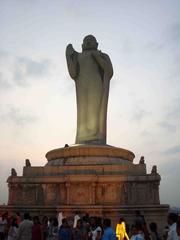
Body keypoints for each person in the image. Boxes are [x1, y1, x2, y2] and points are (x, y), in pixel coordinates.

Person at [66, 35, 113, 145]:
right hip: (82, 87)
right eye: (86, 41)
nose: (88, 42)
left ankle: (96, 136)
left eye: (90, 40)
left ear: (96, 44)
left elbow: (109, 71)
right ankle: (83, 138)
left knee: (95, 110)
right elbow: (73, 73)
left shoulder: (102, 55)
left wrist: (97, 57)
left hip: (96, 86)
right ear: (82, 45)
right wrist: (68, 57)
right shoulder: (78, 57)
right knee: (83, 111)